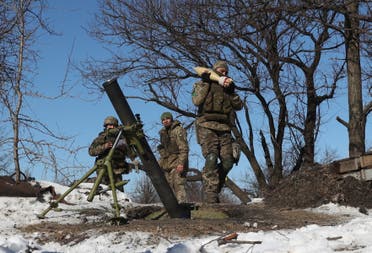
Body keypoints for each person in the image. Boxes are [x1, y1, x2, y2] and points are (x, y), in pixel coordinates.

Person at [192, 60, 243, 203]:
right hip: (206, 125)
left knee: (228, 161)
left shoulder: (228, 89)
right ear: (215, 71)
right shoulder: (203, 84)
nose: (224, 74)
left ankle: (215, 184)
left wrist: (232, 91)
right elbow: (196, 100)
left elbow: (239, 106)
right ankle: (211, 192)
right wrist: (206, 82)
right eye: (221, 71)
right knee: (211, 157)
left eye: (226, 72)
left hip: (224, 127)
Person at [88, 116, 129, 192]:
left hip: (117, 170)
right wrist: (104, 146)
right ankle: (85, 182)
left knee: (119, 193)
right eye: (109, 125)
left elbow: (129, 153)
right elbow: (91, 151)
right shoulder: (102, 138)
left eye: (113, 125)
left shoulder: (121, 138)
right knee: (103, 190)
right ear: (106, 126)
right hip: (104, 169)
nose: (111, 127)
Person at [157, 112, 189, 203]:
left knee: (178, 183)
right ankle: (170, 207)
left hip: (178, 160)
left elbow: (184, 148)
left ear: (171, 119)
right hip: (167, 162)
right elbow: (164, 149)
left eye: (167, 119)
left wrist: (181, 163)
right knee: (167, 186)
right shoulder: (163, 132)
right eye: (163, 120)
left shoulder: (178, 130)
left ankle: (183, 206)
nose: (165, 121)